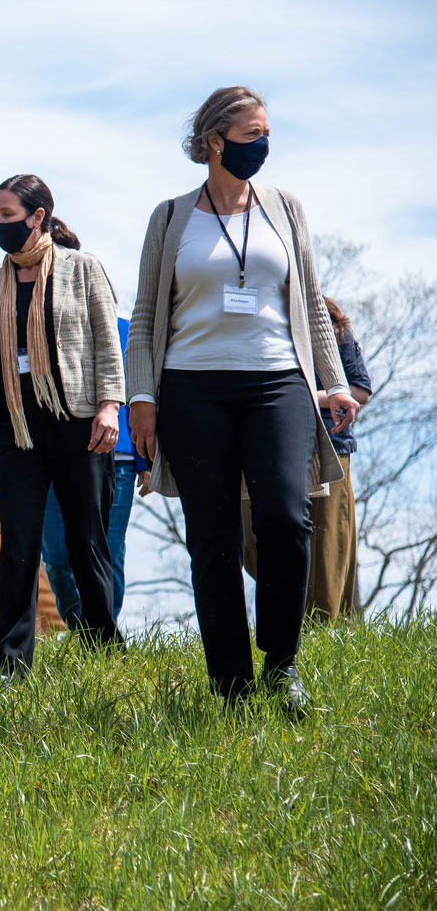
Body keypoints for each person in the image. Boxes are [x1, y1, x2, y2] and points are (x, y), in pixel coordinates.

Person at [125, 86, 358, 709]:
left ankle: (282, 665)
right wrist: (140, 398)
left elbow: (309, 299)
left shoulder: (285, 208)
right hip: (192, 387)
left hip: (278, 380)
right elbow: (147, 312)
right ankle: (231, 682)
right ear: (214, 142)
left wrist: (332, 380)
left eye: (268, 133)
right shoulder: (170, 217)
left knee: (286, 516)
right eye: (253, 134)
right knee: (213, 536)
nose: (265, 145)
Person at [0, 175, 126, 683]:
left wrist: (110, 407)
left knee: (86, 538)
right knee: (19, 541)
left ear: (37, 216)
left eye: (7, 215)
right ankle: (9, 664)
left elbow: (108, 347)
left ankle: (105, 646)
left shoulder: (82, 270)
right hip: (16, 429)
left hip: (78, 422)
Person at [242, 296, 372, 621]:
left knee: (328, 544)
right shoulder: (257, 320)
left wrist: (302, 396)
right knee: (258, 540)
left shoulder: (333, 329)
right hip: (266, 446)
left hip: (328, 445)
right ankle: (286, 622)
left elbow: (360, 390)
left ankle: (324, 632)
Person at [40, 316, 150, 629]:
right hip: (56, 458)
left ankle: (101, 640)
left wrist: (146, 462)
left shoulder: (128, 330)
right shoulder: (45, 325)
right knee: (58, 557)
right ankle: (81, 628)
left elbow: (143, 394)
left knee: (109, 552)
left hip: (119, 458)